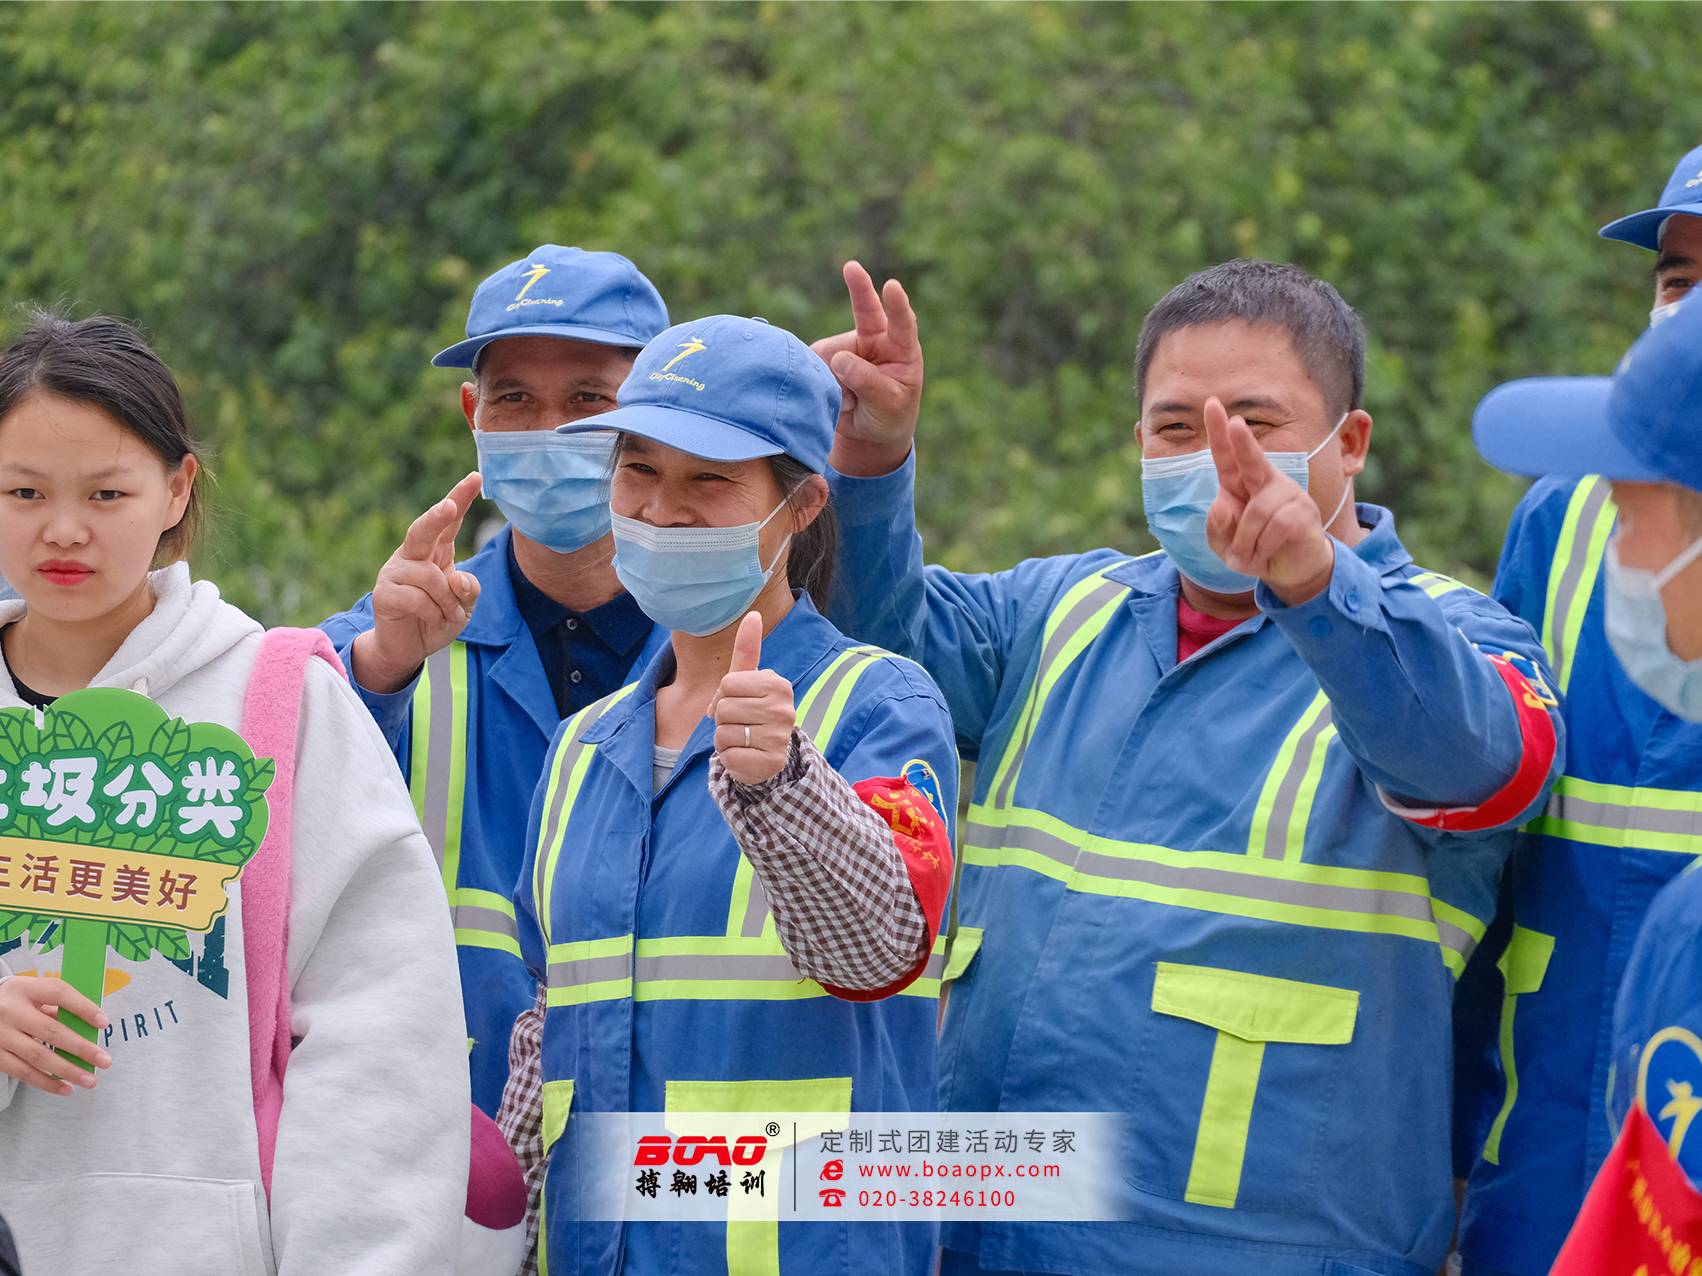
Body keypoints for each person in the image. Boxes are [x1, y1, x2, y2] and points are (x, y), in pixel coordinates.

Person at [817, 258, 1563, 1275]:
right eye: (1176, 427)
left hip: (1269, 1250)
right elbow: (870, 647)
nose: (1217, 456)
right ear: (1137, 443)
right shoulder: (1061, 612)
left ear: (1349, 443)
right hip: (994, 1224)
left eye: (1254, 423)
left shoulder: (1455, 637)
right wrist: (868, 459)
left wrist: (1317, 590)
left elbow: (1478, 762)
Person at [0, 313, 468, 1271]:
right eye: (23, 491)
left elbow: (381, 1031)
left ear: (177, 490)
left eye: (106, 492)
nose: (64, 529)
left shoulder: (279, 704)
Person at [498, 314, 958, 1276]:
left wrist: (784, 786)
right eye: (638, 470)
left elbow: (878, 949)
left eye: (709, 481)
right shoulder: (585, 747)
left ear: (801, 505)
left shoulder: (880, 706)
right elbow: (547, 1033)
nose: (662, 511)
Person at [320, 245, 671, 1116]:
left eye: (588, 400)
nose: (551, 430)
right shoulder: (393, 636)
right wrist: (384, 666)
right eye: (515, 399)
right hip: (448, 1147)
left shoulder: (735, 650)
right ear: (473, 414)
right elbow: (272, 774)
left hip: (668, 1153)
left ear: (659, 418)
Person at [1450, 145, 1702, 1276]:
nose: (1683, 309)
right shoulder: (1561, 518)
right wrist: (1450, 1148)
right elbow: (1483, 856)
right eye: (1675, 278)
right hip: (1543, 1139)